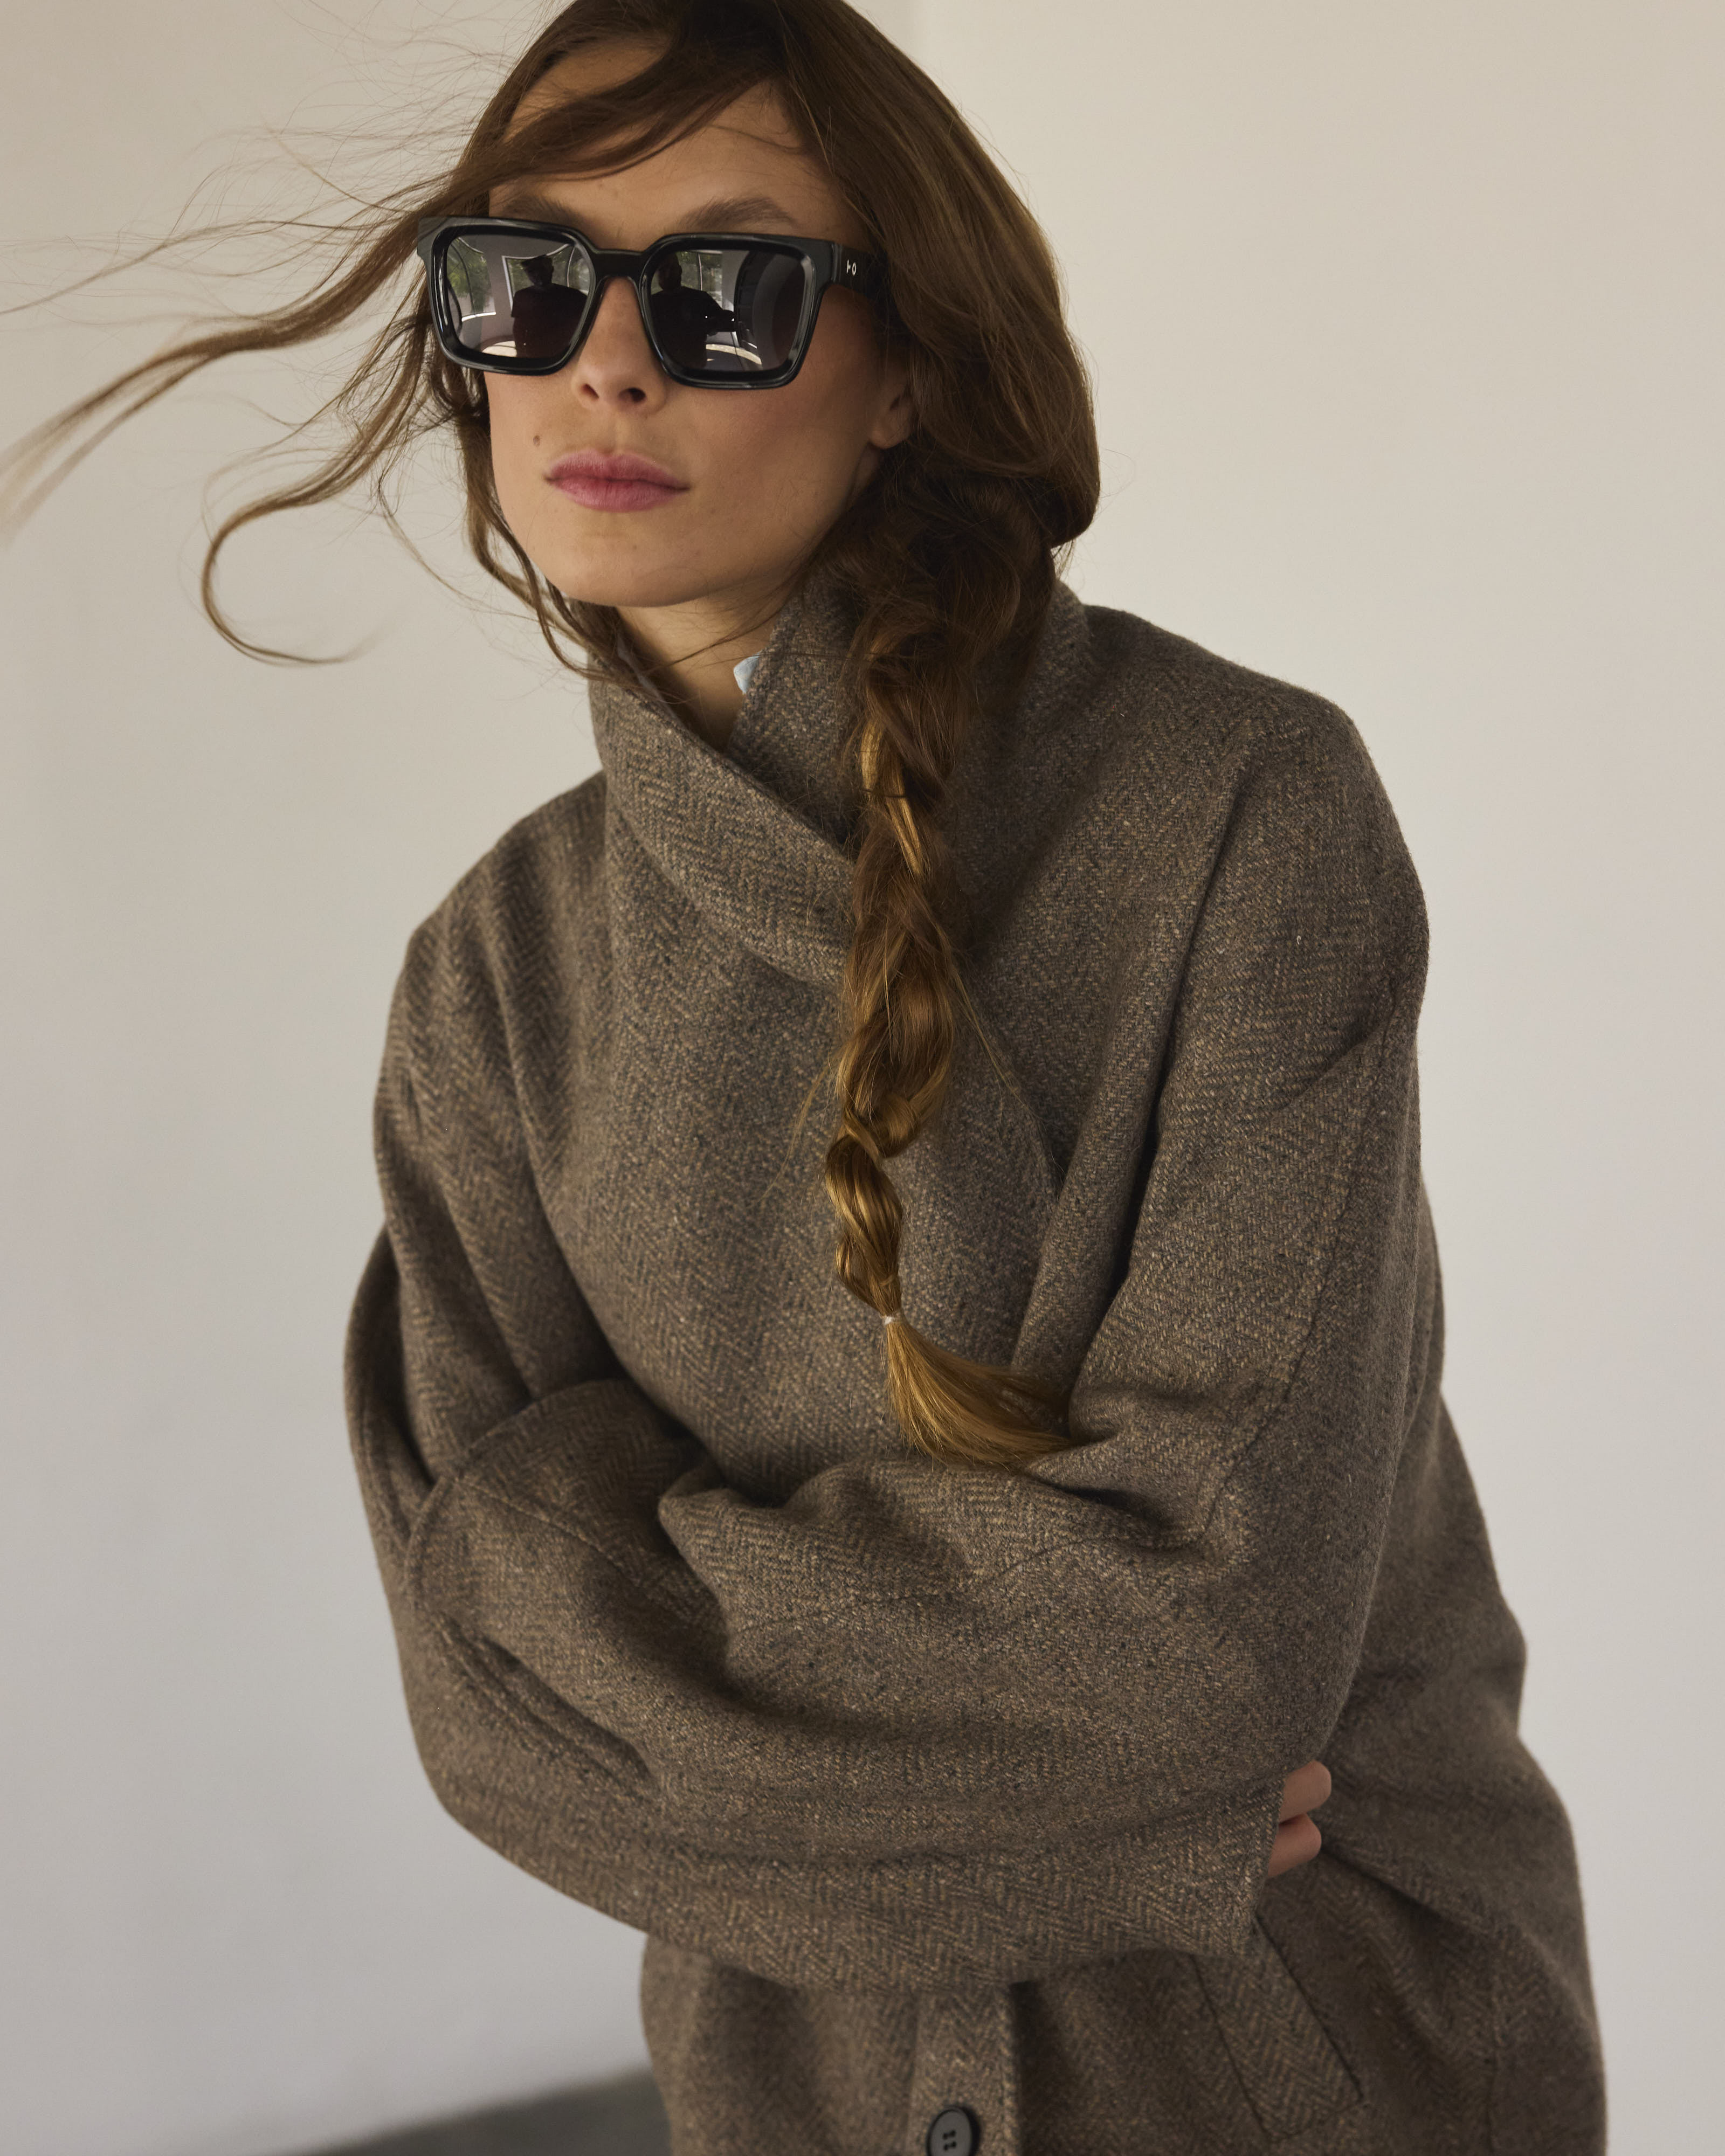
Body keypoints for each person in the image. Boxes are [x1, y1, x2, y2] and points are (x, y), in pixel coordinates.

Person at [3, 3, 1605, 2150]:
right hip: (795, 2086)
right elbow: (498, 1706)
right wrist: (1082, 1796)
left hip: (1304, 2046)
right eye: (529, 280)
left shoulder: (1243, 809)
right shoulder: (493, 978)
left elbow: (1213, 1649)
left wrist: (718, 1695)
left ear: (908, 367)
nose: (605, 363)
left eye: (728, 289)